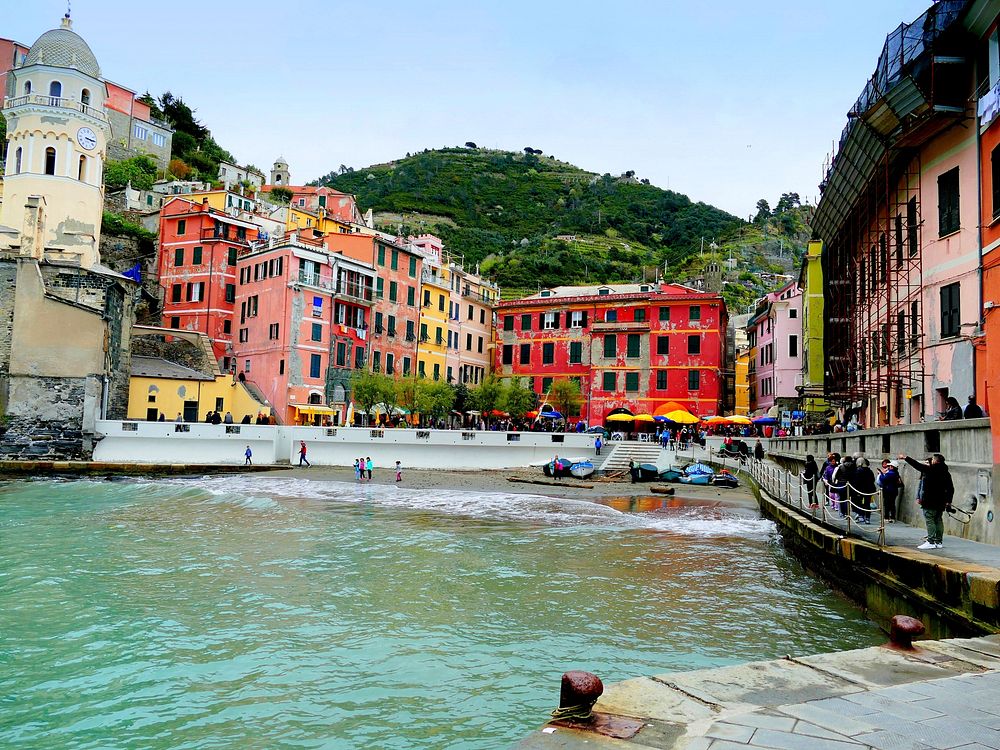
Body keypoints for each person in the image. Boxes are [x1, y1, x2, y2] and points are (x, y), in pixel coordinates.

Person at [899, 452, 954, 549]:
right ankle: (939, 542)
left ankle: (931, 541)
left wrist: (905, 457)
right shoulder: (946, 473)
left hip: (929, 501)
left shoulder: (930, 470)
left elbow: (917, 465)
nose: (931, 461)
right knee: (938, 520)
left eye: (932, 459)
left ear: (936, 461)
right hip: (941, 501)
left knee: (930, 520)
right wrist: (948, 501)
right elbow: (951, 488)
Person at [853, 458, 877, 525]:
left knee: (859, 503)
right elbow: (872, 480)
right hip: (869, 489)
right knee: (867, 504)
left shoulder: (858, 471)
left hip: (860, 490)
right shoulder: (870, 471)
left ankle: (861, 516)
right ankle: (867, 518)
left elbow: (856, 481)